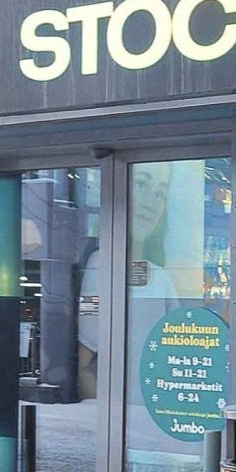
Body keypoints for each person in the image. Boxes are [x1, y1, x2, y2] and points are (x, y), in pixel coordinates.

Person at [77, 161, 177, 399]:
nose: (151, 203)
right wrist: (105, 413)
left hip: (153, 409)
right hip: (120, 412)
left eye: (160, 193)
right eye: (141, 184)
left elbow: (182, 343)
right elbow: (84, 363)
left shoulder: (161, 279)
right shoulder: (101, 266)